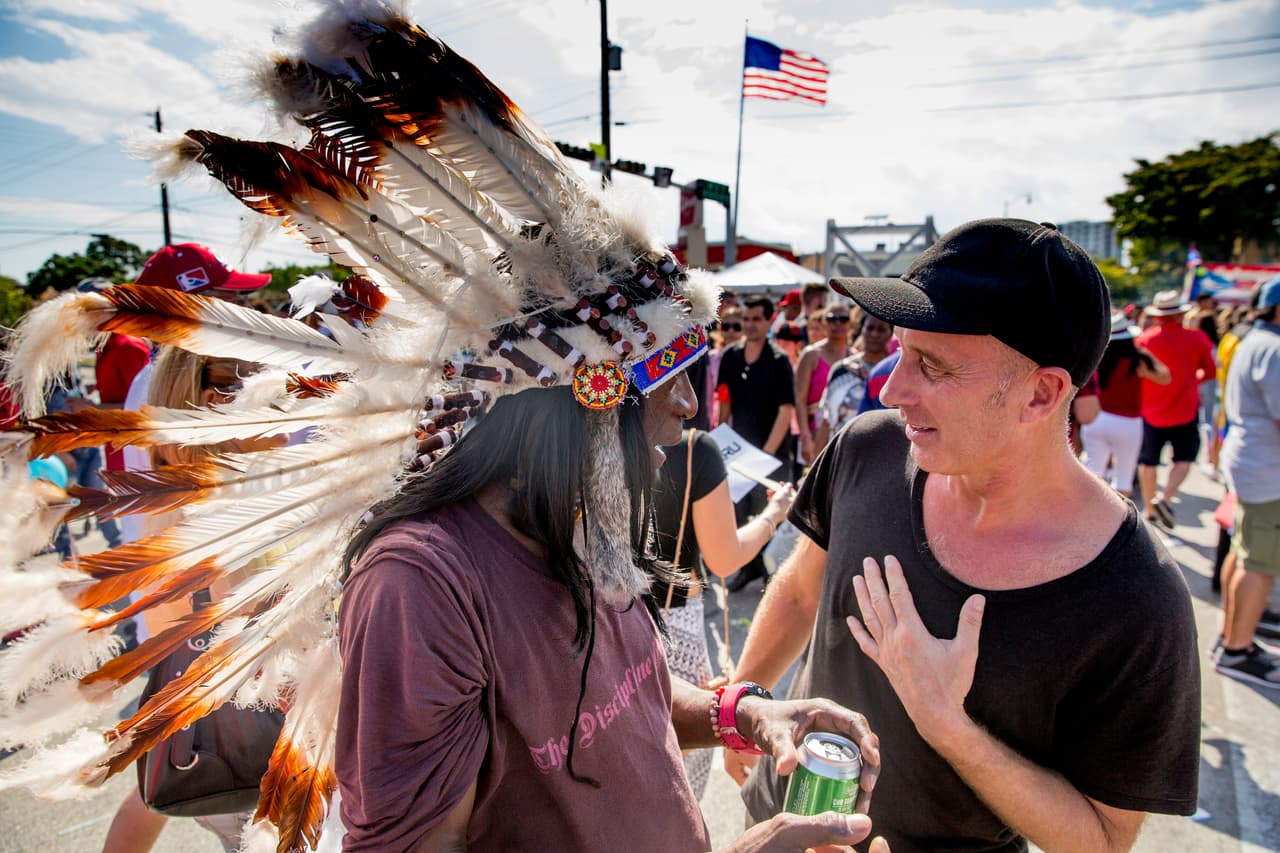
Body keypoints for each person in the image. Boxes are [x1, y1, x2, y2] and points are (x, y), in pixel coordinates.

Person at [731, 219, 1200, 852]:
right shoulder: (865, 449)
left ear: (1041, 393)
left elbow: (1102, 838)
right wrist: (744, 706)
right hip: (775, 826)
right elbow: (799, 593)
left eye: (934, 366)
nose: (893, 389)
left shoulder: (1137, 597)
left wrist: (947, 724)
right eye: (899, 350)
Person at [651, 428, 795, 797]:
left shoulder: (577, 434)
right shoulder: (693, 448)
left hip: (601, 622)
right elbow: (725, 557)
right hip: (673, 626)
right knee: (675, 774)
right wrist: (774, 513)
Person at [1214, 276, 1280, 687]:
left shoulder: (1253, 339)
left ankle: (1230, 638)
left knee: (1242, 554)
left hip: (1250, 460)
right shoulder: (1274, 347)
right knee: (1260, 562)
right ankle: (1237, 651)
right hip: (1267, 468)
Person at [717, 295, 797, 592]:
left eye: (756, 319)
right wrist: (720, 441)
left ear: (769, 321)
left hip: (771, 456)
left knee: (771, 515)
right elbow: (724, 402)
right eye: (745, 319)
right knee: (740, 515)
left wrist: (765, 455)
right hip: (738, 453)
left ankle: (771, 575)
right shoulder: (730, 356)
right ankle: (748, 568)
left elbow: (786, 410)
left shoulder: (778, 361)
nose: (749, 325)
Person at [1135, 290, 1216, 529]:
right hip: (1185, 408)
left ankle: (1149, 509)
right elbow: (1209, 372)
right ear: (1180, 314)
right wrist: (1191, 381)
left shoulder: (1144, 340)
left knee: (1148, 460)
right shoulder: (1197, 338)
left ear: (1157, 316)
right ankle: (1165, 497)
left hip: (1150, 410)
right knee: (1184, 457)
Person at [1080, 314, 1171, 496]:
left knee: (1092, 474)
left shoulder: (1095, 357)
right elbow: (1165, 377)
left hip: (1096, 419)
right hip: (1127, 423)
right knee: (1123, 478)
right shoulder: (1137, 360)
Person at [817, 313, 894, 448]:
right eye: (870, 328)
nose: (875, 334)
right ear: (862, 331)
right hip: (840, 450)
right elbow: (827, 419)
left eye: (881, 329)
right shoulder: (841, 370)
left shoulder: (894, 373)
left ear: (890, 334)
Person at [794, 307, 852, 465]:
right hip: (815, 431)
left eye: (843, 319)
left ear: (851, 325)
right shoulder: (811, 355)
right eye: (831, 319)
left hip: (846, 431)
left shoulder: (855, 358)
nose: (837, 324)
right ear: (824, 324)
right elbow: (799, 399)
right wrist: (805, 437)